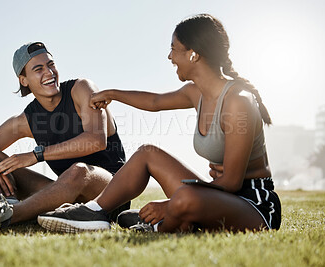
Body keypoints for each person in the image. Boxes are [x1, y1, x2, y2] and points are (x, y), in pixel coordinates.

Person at [37, 14, 282, 233]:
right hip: (219, 197)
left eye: (174, 48)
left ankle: (165, 222)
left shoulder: (238, 102)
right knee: (147, 153)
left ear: (193, 53)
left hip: (253, 205)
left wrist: (170, 204)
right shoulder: (195, 93)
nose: (169, 56)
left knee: (186, 197)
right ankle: (93, 212)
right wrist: (113, 94)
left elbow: (230, 183)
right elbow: (154, 101)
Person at [0, 42, 129, 233]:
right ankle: (11, 203)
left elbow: (96, 140)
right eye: (39, 69)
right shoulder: (28, 119)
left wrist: (36, 155)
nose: (49, 72)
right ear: (24, 80)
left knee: (78, 171)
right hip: (66, 191)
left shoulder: (82, 89)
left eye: (51, 65)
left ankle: (6, 215)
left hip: (112, 194)